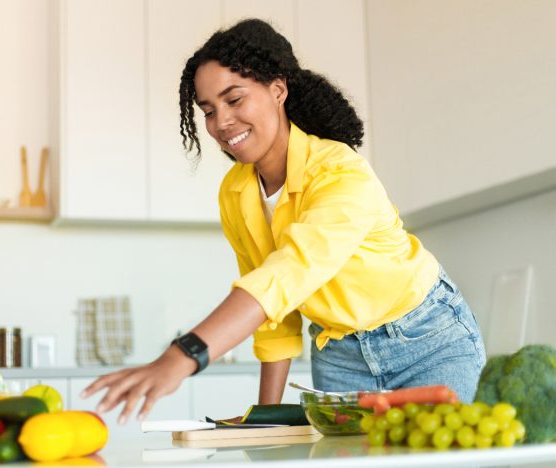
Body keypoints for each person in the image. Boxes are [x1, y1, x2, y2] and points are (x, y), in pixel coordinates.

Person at [82, 18, 486, 424]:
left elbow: (289, 273)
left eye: (234, 100)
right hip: (339, 354)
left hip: (427, 339)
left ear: (278, 90)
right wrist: (263, 418)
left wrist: (182, 356)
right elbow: (276, 313)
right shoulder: (236, 192)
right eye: (208, 110)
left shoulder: (340, 172)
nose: (221, 122)